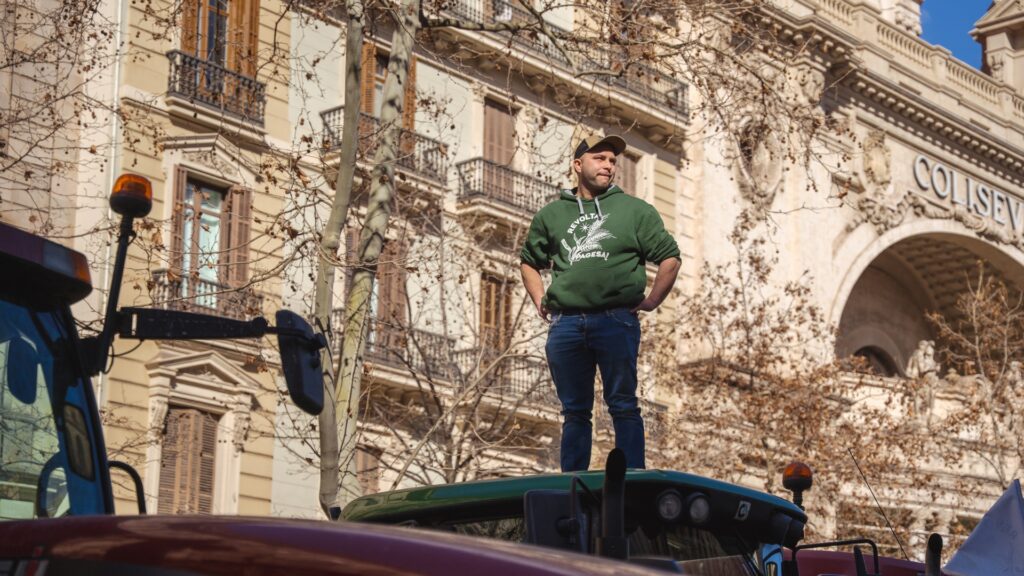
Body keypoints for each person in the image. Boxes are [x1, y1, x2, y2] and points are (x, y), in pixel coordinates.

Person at [520, 134, 681, 471]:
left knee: (623, 404)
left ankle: (631, 476)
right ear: (578, 165)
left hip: (615, 320)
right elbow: (529, 262)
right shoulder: (552, 215)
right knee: (574, 411)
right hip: (566, 323)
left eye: (612, 160)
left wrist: (653, 300)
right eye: (600, 158)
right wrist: (539, 299)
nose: (608, 165)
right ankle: (572, 480)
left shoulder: (635, 211)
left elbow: (670, 257)